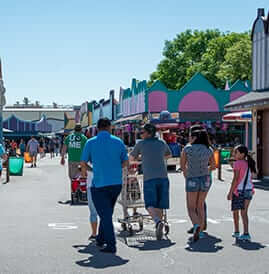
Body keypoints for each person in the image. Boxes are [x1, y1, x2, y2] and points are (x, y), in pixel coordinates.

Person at [81, 118, 128, 253]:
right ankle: (101, 239)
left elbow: (83, 163)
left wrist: (92, 170)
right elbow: (125, 162)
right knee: (106, 212)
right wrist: (114, 167)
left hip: (99, 184)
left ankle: (111, 244)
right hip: (116, 184)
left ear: (97, 128)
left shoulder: (91, 142)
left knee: (105, 215)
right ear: (110, 127)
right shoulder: (118, 142)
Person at [129, 123, 172, 240]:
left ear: (148, 133)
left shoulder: (141, 144)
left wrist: (142, 158)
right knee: (160, 204)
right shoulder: (162, 142)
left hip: (150, 178)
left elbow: (131, 159)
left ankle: (158, 222)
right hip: (163, 177)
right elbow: (169, 155)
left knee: (149, 204)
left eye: (142, 132)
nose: (140, 134)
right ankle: (160, 226)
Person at [180, 128, 215, 242]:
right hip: (205, 178)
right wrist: (205, 169)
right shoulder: (208, 149)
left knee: (191, 207)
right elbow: (214, 166)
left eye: (190, 136)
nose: (189, 138)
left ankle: (196, 225)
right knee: (200, 206)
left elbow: (183, 165)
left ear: (194, 138)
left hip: (192, 178)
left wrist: (187, 175)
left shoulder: (187, 148)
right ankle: (200, 231)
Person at [227, 145, 256, 241]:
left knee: (235, 211)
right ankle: (246, 233)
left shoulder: (238, 163)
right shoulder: (248, 163)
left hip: (239, 191)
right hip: (249, 190)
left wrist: (230, 192)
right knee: (244, 212)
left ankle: (236, 231)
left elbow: (235, 179)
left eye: (236, 152)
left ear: (242, 154)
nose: (234, 154)